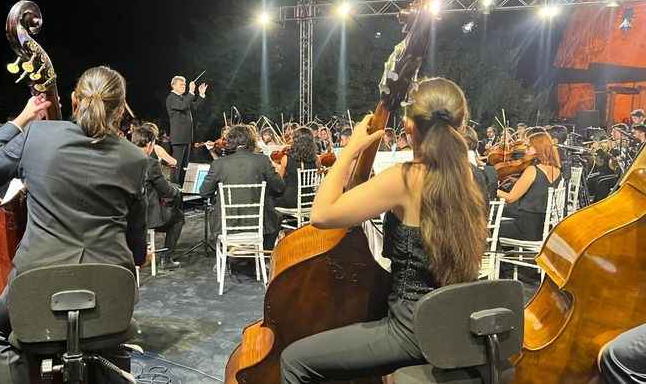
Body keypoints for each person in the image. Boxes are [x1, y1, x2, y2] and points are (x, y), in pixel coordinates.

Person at [280, 78, 487, 383]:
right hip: (456, 322)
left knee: (293, 361)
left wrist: (350, 149)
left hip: (411, 329)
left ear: (407, 126)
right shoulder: (472, 181)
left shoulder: (404, 179)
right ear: (461, 123)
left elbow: (321, 215)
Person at [0, 66, 149, 384]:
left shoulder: (38, 136)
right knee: (110, 336)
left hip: (38, 282)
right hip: (110, 286)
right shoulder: (135, 159)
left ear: (75, 101)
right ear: (120, 108)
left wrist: (21, 120)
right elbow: (138, 246)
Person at [199, 125, 286, 250]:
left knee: (215, 215)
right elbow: (280, 188)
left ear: (229, 142)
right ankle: (264, 254)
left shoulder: (218, 164)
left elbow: (204, 192)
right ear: (251, 141)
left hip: (226, 224)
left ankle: (228, 255)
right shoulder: (263, 160)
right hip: (259, 224)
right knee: (276, 216)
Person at [132, 125, 185, 269]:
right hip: (146, 217)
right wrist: (177, 190)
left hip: (126, 216)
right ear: (149, 144)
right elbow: (166, 191)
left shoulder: (123, 160)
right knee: (178, 219)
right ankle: (166, 259)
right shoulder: (151, 163)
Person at [496, 132, 562, 241]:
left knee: (487, 226)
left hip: (526, 229)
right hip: (542, 228)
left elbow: (510, 198)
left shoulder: (532, 170)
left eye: (528, 147)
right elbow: (539, 187)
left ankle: (496, 254)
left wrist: (491, 189)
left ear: (538, 148)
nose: (525, 150)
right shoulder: (557, 170)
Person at [165, 75, 207, 184]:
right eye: (181, 84)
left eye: (184, 84)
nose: (184, 86)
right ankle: (174, 187)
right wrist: (191, 91)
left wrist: (201, 94)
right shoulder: (171, 98)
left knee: (184, 166)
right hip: (179, 137)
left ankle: (181, 186)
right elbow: (183, 106)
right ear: (173, 85)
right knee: (177, 165)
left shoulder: (183, 98)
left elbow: (195, 106)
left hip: (187, 137)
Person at [275, 127, 319, 209]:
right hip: (309, 200)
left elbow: (279, 181)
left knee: (270, 199)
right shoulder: (316, 160)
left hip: (291, 200)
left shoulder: (286, 159)